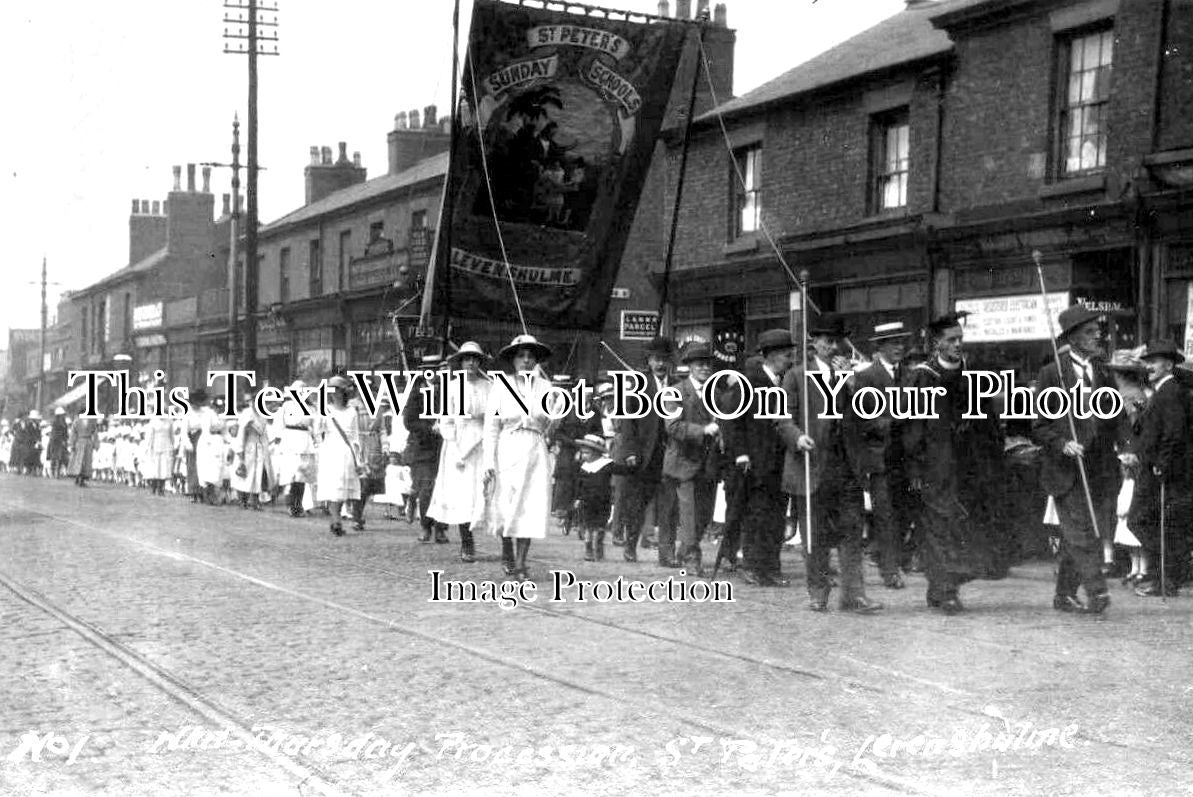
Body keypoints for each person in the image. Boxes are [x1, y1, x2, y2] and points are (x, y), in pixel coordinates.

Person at [902, 313, 1009, 614]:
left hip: (969, 467)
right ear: (937, 343)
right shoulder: (923, 377)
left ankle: (941, 587)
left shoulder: (972, 375)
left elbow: (989, 422)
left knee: (964, 529)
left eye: (961, 339)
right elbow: (912, 427)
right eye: (951, 340)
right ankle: (945, 590)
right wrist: (915, 469)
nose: (958, 344)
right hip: (936, 467)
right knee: (938, 528)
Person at [781, 317, 883, 614]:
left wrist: (851, 384)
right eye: (826, 340)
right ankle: (818, 590)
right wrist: (797, 437)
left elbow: (868, 416)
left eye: (837, 340)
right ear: (814, 342)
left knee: (852, 532)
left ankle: (854, 595)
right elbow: (782, 416)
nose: (832, 346)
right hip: (812, 464)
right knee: (815, 535)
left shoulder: (852, 377)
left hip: (846, 464)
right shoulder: (796, 376)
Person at [1032, 306, 1119, 614]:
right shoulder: (1052, 372)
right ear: (1072, 337)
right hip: (1066, 469)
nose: (1098, 337)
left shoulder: (1104, 370)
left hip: (1097, 467)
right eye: (1090, 332)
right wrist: (1063, 443)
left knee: (1078, 533)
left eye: (1098, 331)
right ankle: (1098, 591)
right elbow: (1040, 424)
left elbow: (1115, 415)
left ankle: (1063, 595)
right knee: (1082, 530)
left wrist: (1127, 446)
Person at [722, 329, 796, 586]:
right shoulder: (749, 382)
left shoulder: (785, 382)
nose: (790, 359)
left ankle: (772, 568)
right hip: (755, 462)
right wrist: (741, 454)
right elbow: (732, 422)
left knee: (777, 515)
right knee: (757, 515)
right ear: (772, 355)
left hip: (781, 462)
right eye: (787, 354)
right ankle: (752, 565)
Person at [482, 334, 560, 580]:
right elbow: (491, 427)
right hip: (508, 446)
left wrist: (557, 411)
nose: (526, 361)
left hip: (535, 448)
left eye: (530, 357)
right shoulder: (500, 386)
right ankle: (507, 551)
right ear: (513, 360)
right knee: (507, 503)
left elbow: (550, 425)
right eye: (521, 356)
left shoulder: (546, 388)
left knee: (531, 504)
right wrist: (488, 461)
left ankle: (521, 562)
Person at [852, 321, 914, 589]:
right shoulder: (867, 377)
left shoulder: (911, 376)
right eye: (893, 343)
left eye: (902, 342)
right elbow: (860, 420)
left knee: (903, 512)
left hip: (906, 458)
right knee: (885, 514)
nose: (899, 347)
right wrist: (890, 422)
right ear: (879, 347)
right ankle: (890, 570)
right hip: (879, 458)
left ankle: (887, 556)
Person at [1128, 340, 1193, 597]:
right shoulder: (1162, 391)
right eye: (1147, 362)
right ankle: (1164, 577)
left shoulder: (1170, 391)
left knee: (1142, 520)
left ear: (1168, 364)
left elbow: (1174, 433)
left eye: (1153, 362)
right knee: (1153, 523)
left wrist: (1162, 465)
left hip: (1160, 472)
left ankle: (1165, 579)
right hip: (1154, 468)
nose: (1148, 367)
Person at [428, 342, 493, 562]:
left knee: (482, 491)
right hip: (458, 443)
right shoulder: (451, 387)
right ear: (461, 362)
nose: (471, 363)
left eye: (475, 359)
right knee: (463, 493)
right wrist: (455, 446)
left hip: (483, 441)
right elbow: (446, 422)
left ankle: (502, 542)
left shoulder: (489, 387)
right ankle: (467, 541)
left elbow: (495, 419)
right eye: (467, 359)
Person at [662, 343, 722, 576]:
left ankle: (686, 549)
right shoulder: (674, 392)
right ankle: (691, 558)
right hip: (683, 463)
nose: (705, 368)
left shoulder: (716, 394)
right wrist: (703, 430)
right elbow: (673, 426)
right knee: (690, 514)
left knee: (704, 516)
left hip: (710, 464)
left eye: (708, 364)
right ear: (689, 367)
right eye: (700, 364)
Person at [616, 336, 677, 563]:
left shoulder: (678, 384)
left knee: (669, 506)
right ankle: (630, 544)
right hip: (644, 455)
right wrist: (630, 451)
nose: (660, 365)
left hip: (671, 454)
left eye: (664, 360)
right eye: (656, 360)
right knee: (638, 504)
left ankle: (666, 554)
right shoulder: (637, 385)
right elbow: (627, 421)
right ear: (649, 361)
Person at [404, 356, 447, 543]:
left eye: (438, 369)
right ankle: (426, 526)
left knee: (445, 489)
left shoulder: (449, 391)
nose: (435, 374)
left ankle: (441, 528)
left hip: (445, 447)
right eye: (430, 370)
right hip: (423, 448)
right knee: (427, 489)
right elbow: (409, 421)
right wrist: (429, 428)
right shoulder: (416, 393)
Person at [316, 375, 362, 536]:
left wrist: (358, 456)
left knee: (344, 489)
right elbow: (317, 432)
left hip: (347, 451)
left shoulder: (352, 412)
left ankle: (335, 518)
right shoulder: (325, 410)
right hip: (331, 450)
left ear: (344, 392)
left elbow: (355, 435)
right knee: (333, 487)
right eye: (332, 390)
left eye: (338, 390)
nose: (334, 393)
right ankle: (336, 521)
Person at [276, 380, 316, 518]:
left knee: (302, 475)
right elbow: (279, 424)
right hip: (290, 440)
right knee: (291, 474)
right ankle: (291, 505)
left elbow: (314, 426)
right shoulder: (286, 406)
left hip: (305, 440)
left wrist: (316, 439)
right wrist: (280, 440)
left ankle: (298, 505)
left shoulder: (311, 408)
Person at [231, 397, 275, 510]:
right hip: (248, 446)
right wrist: (240, 449)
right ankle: (243, 499)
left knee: (258, 474)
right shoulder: (247, 413)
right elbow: (241, 432)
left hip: (260, 446)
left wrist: (267, 446)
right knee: (245, 473)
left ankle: (255, 500)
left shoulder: (262, 414)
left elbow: (265, 432)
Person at [141, 413, 176, 496]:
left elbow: (172, 435)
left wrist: (172, 446)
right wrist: (148, 447)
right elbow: (149, 436)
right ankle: (154, 487)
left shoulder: (169, 422)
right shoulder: (153, 421)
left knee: (164, 469)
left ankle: (161, 489)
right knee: (155, 468)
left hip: (166, 446)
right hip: (155, 447)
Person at [66, 413, 97, 486]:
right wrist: (72, 444)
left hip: (88, 442)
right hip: (79, 442)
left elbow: (95, 433)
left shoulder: (91, 422)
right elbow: (73, 433)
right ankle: (77, 477)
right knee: (78, 461)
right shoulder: (76, 422)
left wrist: (95, 444)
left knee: (86, 462)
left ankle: (82, 479)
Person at [48, 408, 70, 478]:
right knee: (54, 458)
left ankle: (57, 472)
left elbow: (66, 433)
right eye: (62, 415)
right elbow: (55, 434)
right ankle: (52, 472)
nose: (63, 416)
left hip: (62, 443)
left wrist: (65, 440)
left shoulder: (64, 423)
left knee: (61, 458)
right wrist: (61, 440)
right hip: (55, 442)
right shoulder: (55, 423)